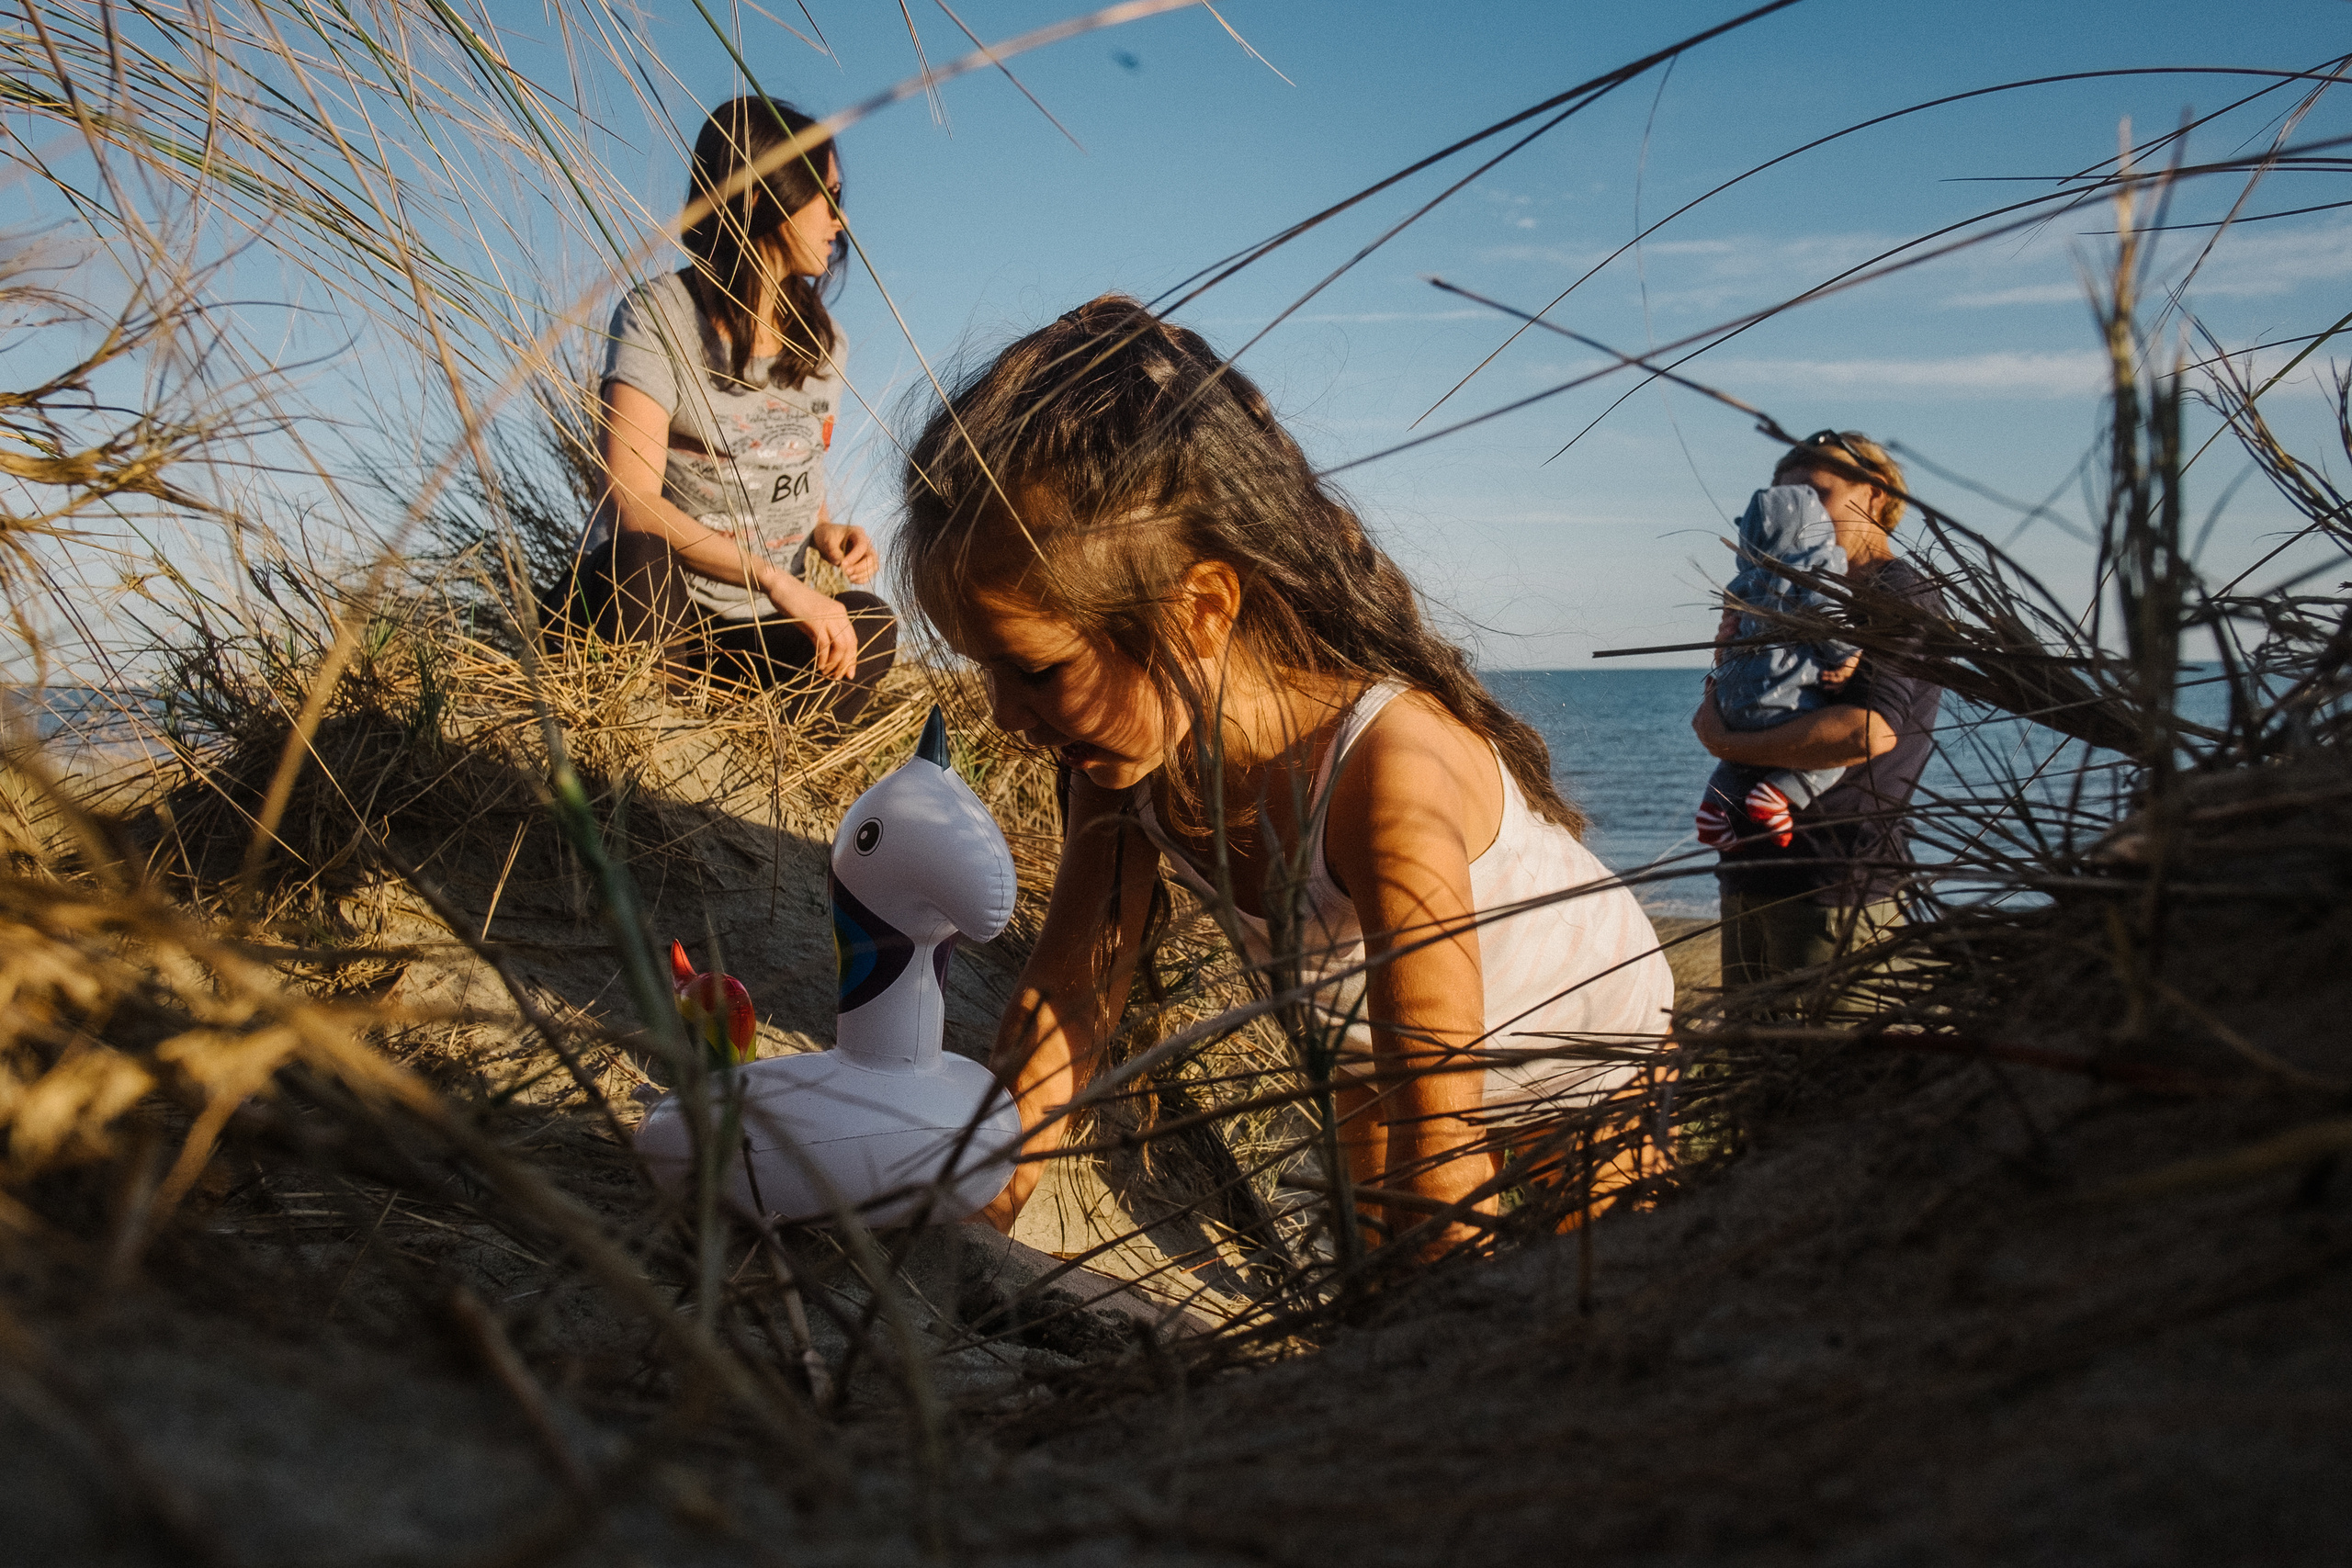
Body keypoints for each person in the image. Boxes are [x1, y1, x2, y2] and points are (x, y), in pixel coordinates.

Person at [899, 295, 1674, 1250]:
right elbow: (1066, 997)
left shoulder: (1389, 775)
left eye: (1036, 668)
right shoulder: (1122, 761)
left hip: (1582, 1045)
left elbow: (1441, 1135)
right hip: (1362, 1039)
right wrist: (976, 1217)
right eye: (981, 669)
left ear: (1200, 610)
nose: (1007, 717)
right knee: (1375, 1252)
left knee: (1610, 1267)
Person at [566, 96, 896, 725]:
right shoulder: (657, 316)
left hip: (756, 634)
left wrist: (824, 532)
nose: (839, 220)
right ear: (768, 194)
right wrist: (774, 579)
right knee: (638, 553)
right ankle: (649, 730)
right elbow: (630, 498)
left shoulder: (827, 345)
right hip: (663, 604)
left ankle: (753, 753)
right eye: (825, 196)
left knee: (871, 625)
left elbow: (792, 460)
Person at [1690, 430, 1946, 996]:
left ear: (1875, 495)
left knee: (1835, 1070)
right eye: (1786, 498)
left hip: (1838, 884)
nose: (1801, 512)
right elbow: (1746, 700)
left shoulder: (1895, 591)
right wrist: (1731, 658)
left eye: (1817, 493)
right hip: (1750, 871)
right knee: (1755, 1074)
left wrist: (1726, 744)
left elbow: (1869, 731)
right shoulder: (1777, 589)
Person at [1692, 483, 1860, 852]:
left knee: (1740, 762)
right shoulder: (1810, 576)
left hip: (1733, 703)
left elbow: (1727, 642)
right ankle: (1777, 794)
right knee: (1829, 763)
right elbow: (1829, 621)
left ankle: (1714, 807)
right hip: (1783, 700)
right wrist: (1848, 657)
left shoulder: (1743, 582)